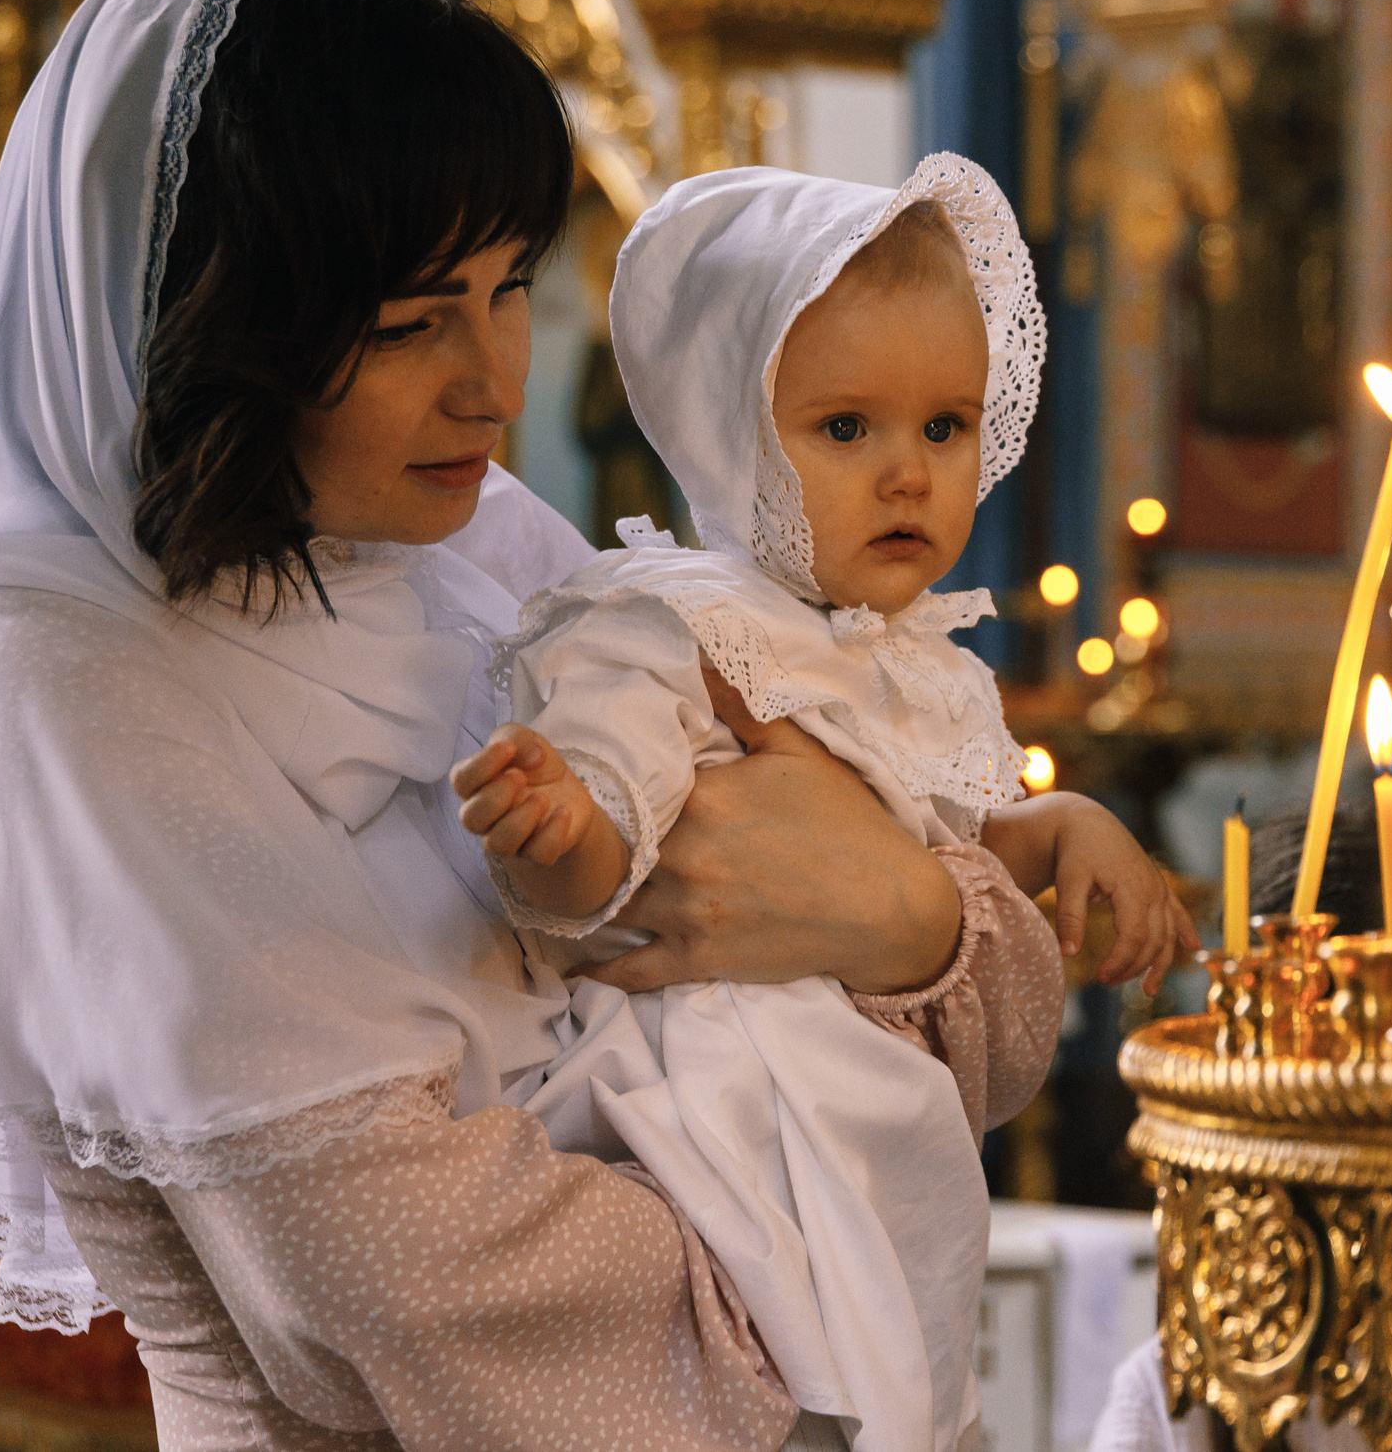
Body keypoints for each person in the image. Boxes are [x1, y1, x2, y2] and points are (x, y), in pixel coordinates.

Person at [0, 0, 1067, 1452]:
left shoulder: (464, 540)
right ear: (220, 321)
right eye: (411, 322)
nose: (495, 384)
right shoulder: (58, 670)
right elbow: (401, 1280)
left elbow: (982, 1017)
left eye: (511, 285)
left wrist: (913, 913)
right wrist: (814, 1300)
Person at [452, 159, 1182, 1451]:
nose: (908, 475)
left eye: (944, 428)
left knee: (893, 1372)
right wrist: (566, 830)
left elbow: (939, 845)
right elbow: (605, 833)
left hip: (875, 1121)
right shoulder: (668, 623)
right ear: (731, 435)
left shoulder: (911, 660)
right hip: (714, 1107)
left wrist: (1064, 824)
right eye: (847, 430)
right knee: (782, 1385)